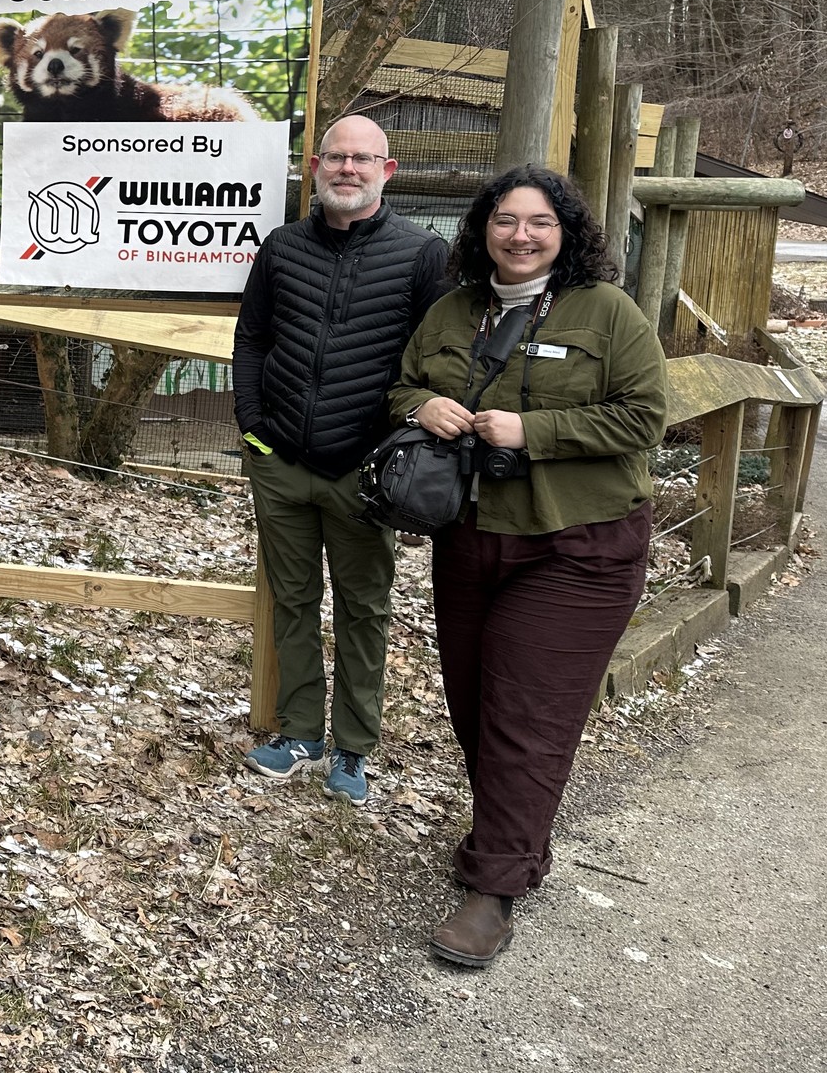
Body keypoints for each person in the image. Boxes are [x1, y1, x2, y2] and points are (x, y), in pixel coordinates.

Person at [389, 164, 668, 967]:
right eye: (506, 220)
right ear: (483, 229)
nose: (520, 235)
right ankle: (511, 837)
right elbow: (400, 384)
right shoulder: (452, 310)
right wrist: (420, 406)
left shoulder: (606, 313)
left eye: (539, 222)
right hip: (471, 537)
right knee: (475, 703)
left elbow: (646, 416)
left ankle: (495, 888)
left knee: (526, 715)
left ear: (565, 232)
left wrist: (533, 431)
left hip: (577, 545)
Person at [233, 115, 451, 804]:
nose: (347, 169)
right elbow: (252, 339)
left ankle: (354, 747)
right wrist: (253, 429)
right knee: (292, 601)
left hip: (366, 471)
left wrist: (401, 446)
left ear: (387, 170)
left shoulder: (422, 256)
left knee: (364, 609)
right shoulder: (282, 248)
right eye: (336, 158)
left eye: (362, 159)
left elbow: (436, 361)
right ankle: (299, 730)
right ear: (316, 166)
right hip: (283, 462)